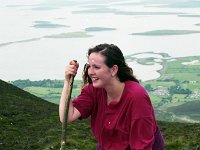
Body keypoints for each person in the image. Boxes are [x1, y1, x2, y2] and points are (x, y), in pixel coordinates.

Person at [59, 43, 164, 150]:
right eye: (89, 66)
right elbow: (66, 116)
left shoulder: (137, 97)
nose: (90, 72)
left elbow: (142, 147)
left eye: (96, 67)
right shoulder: (94, 91)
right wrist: (67, 81)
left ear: (113, 70)